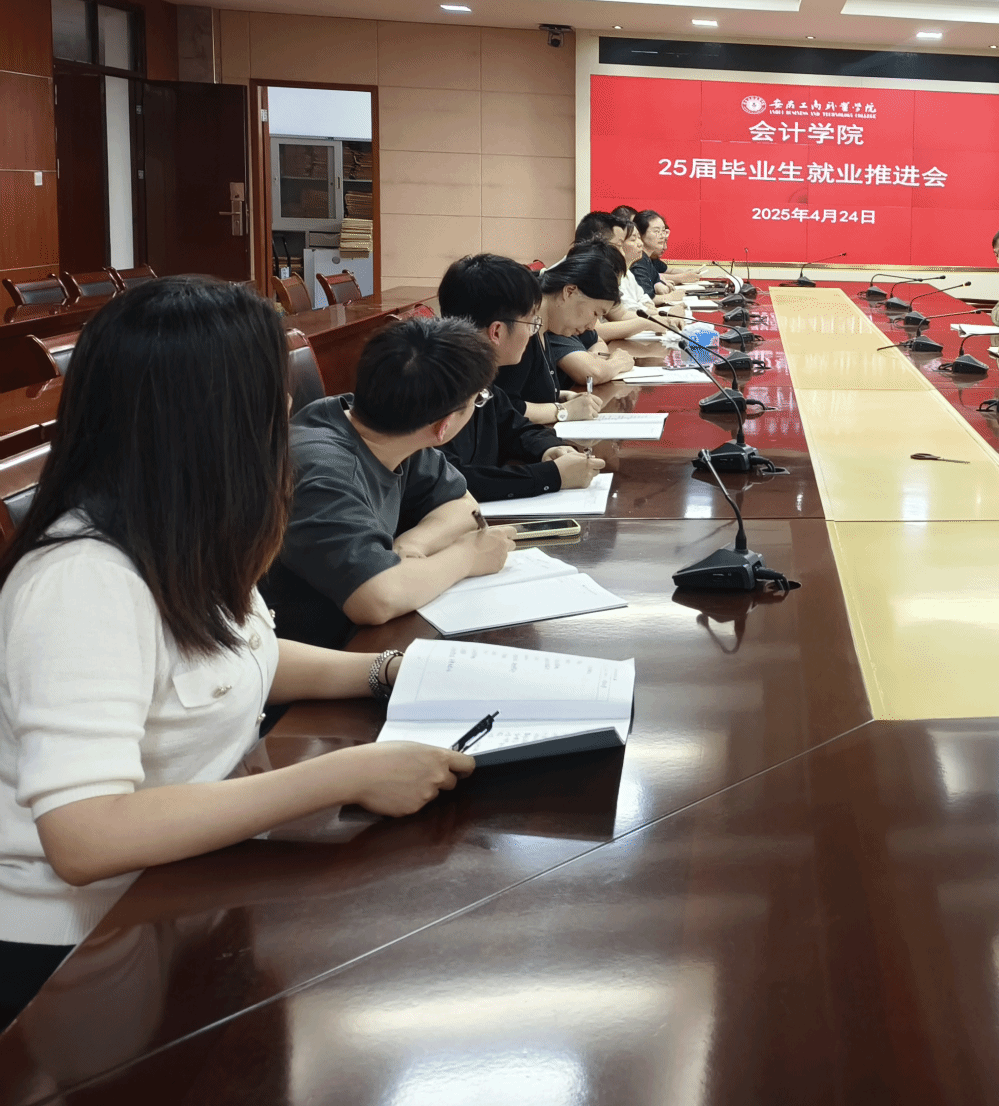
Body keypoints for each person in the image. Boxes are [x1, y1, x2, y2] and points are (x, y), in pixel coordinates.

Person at [0, 279, 473, 1025]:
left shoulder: (184, 529)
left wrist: (388, 672)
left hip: (185, 884)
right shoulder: (85, 580)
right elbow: (86, 836)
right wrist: (344, 774)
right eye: (271, 394)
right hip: (83, 946)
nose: (288, 410)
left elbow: (238, 659)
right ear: (214, 418)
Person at [261, 318, 515, 648]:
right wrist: (468, 556)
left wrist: (412, 546)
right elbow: (375, 598)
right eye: (477, 400)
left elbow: (463, 505)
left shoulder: (388, 425)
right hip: (312, 657)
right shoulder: (323, 470)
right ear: (443, 426)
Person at [435, 255, 601, 502]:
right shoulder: (434, 386)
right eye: (531, 323)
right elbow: (450, 478)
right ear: (497, 331)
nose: (533, 332)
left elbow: (513, 426)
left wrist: (549, 448)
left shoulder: (478, 375)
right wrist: (551, 475)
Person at [539, 243, 634, 391]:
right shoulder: (544, 322)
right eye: (595, 313)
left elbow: (597, 340)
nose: (591, 326)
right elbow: (592, 374)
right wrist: (617, 362)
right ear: (570, 292)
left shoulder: (557, 321)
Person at [633, 209, 672, 295]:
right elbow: (646, 296)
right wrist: (673, 296)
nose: (662, 236)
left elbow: (657, 281)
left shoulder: (647, 259)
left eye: (663, 231)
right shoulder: (637, 260)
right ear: (640, 234)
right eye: (656, 231)